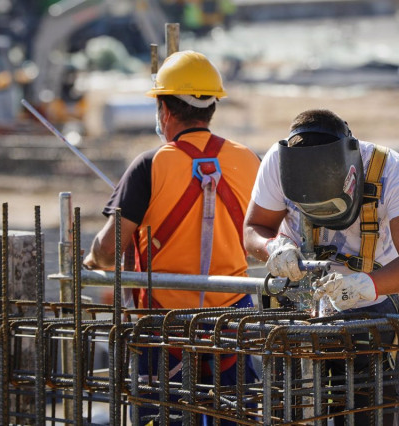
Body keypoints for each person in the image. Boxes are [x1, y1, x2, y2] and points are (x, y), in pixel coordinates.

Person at [83, 50, 261, 425]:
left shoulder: (150, 165)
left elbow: (108, 250)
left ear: (164, 111)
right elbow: (264, 240)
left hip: (165, 335)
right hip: (234, 330)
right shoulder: (248, 161)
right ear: (212, 106)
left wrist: (91, 259)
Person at [243, 109, 399, 425]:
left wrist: (365, 285)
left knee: (366, 416)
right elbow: (253, 230)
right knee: (288, 414)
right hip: (296, 309)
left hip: (368, 313)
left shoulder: (393, 173)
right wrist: (273, 248)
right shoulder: (278, 162)